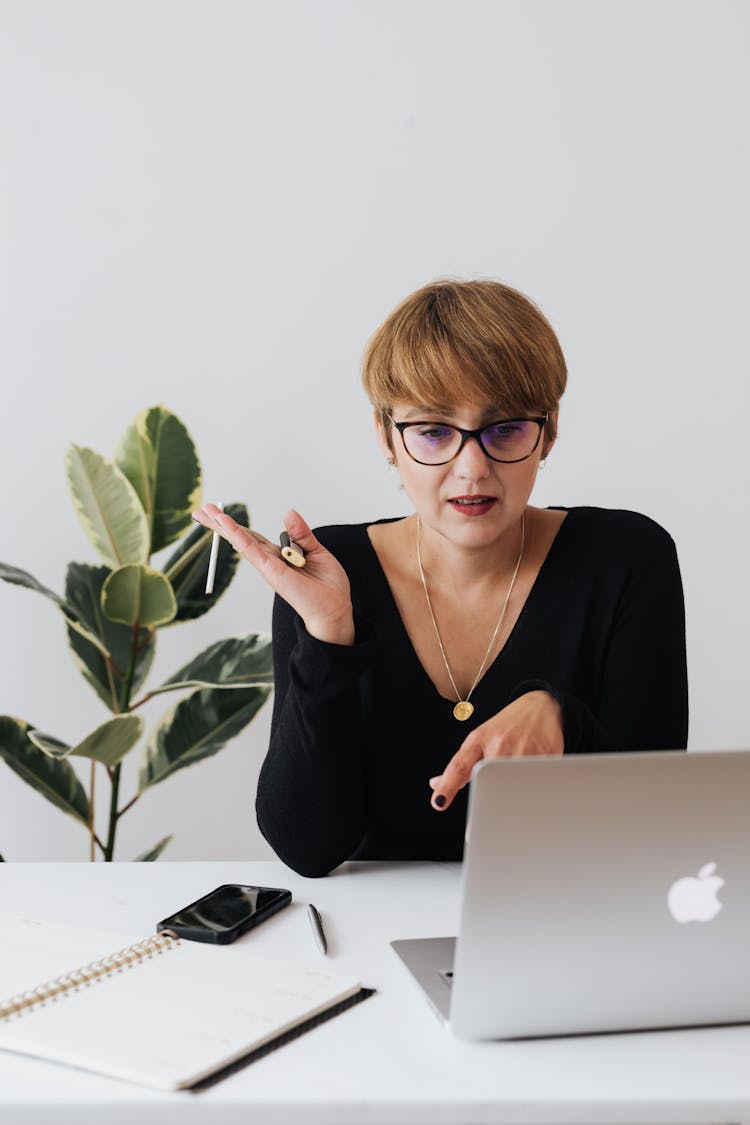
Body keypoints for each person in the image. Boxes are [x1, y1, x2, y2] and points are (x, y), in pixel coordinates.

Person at [192, 279, 688, 877]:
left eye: (505, 428)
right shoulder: (331, 570)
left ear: (548, 432)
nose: (471, 469)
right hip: (372, 940)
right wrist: (328, 634)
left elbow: (656, 826)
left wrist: (563, 718)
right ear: (386, 438)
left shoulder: (627, 558)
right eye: (433, 431)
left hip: (565, 923)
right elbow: (309, 847)